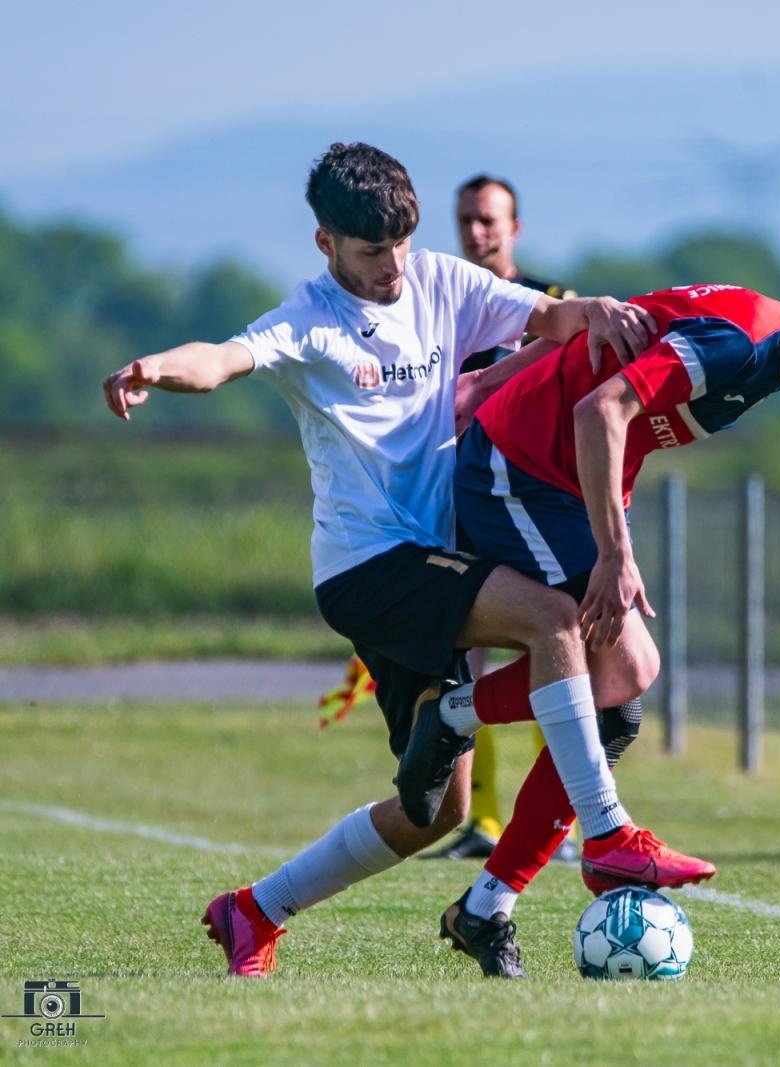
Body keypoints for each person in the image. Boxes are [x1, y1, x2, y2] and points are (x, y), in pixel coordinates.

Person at [101, 142, 702, 978]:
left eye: (402, 244)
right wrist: (156, 368)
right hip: (369, 568)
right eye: (371, 251)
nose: (393, 267)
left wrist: (598, 308)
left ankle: (252, 910)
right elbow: (223, 358)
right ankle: (607, 834)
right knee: (556, 619)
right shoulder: (307, 318)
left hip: (435, 564)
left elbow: (546, 316)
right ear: (326, 245)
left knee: (434, 810)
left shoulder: (441, 282)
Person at [418, 265, 780, 977]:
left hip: (560, 486)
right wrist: (615, 551)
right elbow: (598, 412)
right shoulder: (740, 343)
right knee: (626, 666)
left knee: (615, 709)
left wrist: (498, 381)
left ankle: (486, 905)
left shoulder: (763, 346)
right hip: (518, 469)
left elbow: (618, 342)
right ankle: (460, 715)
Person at [419, 173, 586, 863]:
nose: (476, 232)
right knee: (466, 661)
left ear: (515, 227)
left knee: (560, 650)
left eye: (488, 220)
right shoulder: (441, 309)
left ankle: (562, 822)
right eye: (465, 220)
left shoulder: (555, 307)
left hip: (534, 502)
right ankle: (481, 818)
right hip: (460, 504)